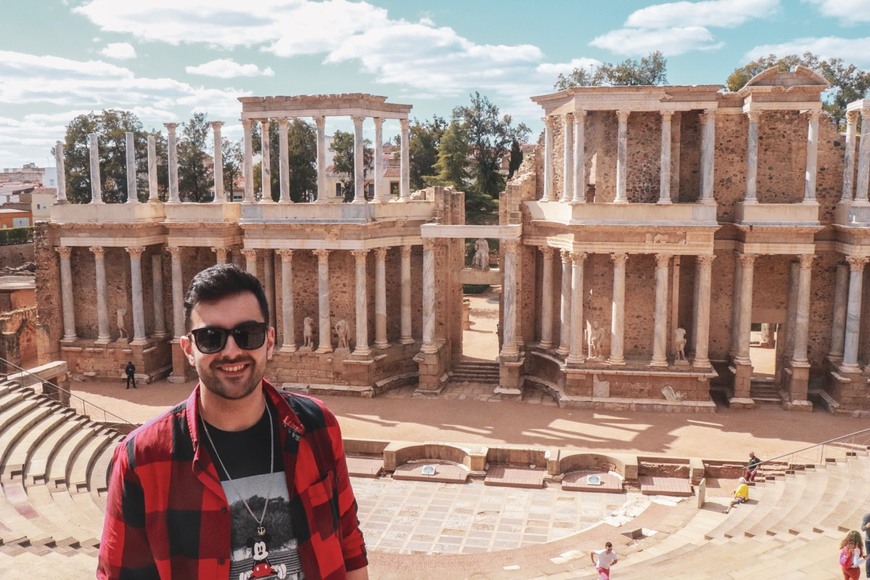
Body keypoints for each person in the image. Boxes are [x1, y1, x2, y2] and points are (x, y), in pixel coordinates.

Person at [98, 264, 368, 579]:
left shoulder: (318, 426)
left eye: (247, 334)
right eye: (211, 338)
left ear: (269, 341)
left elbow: (349, 545)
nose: (231, 351)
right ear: (188, 349)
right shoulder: (141, 458)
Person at [862, 513, 870, 578]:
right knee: (869, 557)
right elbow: (862, 528)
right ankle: (868, 575)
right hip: (869, 541)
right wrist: (867, 526)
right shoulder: (867, 516)